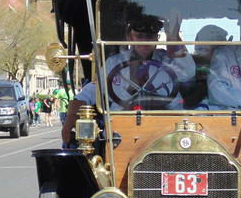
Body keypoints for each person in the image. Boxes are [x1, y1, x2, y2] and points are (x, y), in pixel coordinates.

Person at [62, 14, 195, 146]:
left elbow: (189, 72)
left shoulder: (168, 60)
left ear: (157, 38)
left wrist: (173, 36)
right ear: (130, 37)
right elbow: (89, 93)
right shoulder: (114, 63)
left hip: (167, 126)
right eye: (139, 36)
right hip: (121, 130)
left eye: (149, 37)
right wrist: (70, 121)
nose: (145, 42)